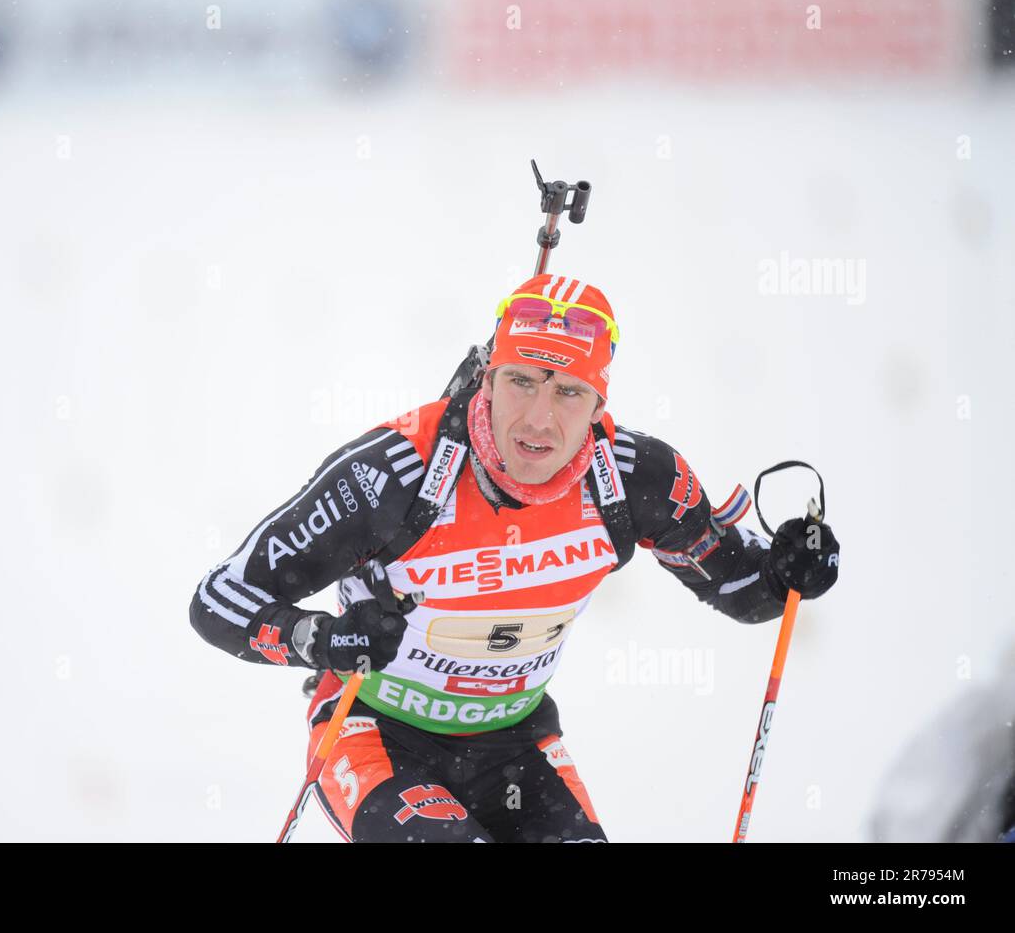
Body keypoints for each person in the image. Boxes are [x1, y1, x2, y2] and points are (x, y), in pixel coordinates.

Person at [189, 273, 840, 842]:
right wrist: (321, 636)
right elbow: (220, 600)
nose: (537, 419)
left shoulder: (633, 476)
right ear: (487, 378)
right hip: (377, 734)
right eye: (522, 381)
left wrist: (793, 569)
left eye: (568, 393)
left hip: (517, 743)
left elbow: (748, 587)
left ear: (598, 404)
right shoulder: (396, 473)